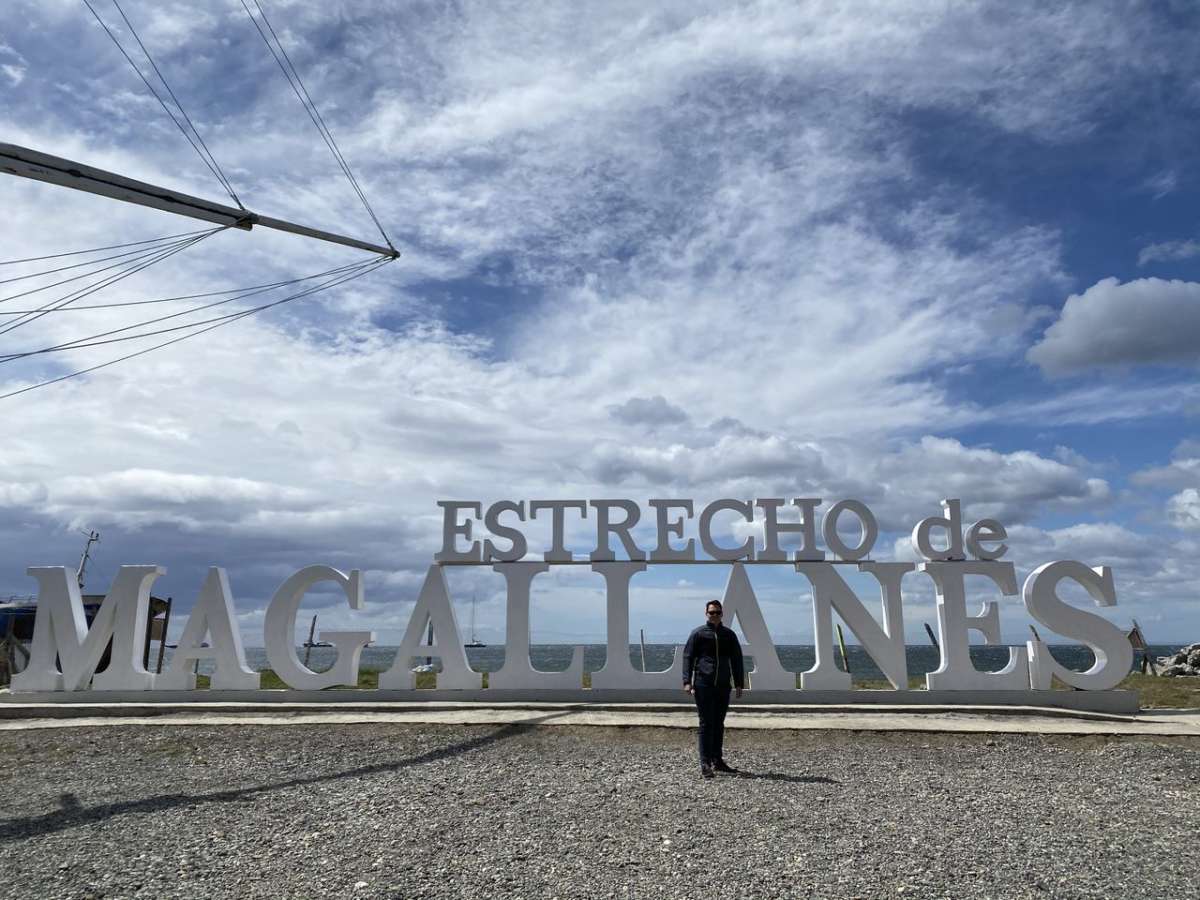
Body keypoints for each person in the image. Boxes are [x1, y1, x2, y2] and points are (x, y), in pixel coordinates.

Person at [682, 599, 744, 778]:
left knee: (718, 723)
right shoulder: (699, 634)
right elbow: (688, 657)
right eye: (711, 612)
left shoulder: (729, 635)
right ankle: (705, 763)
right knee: (705, 723)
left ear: (722, 613)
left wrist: (739, 682)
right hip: (703, 684)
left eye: (717, 612)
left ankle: (718, 760)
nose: (715, 615)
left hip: (723, 685)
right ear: (706, 614)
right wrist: (687, 681)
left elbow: (736, 659)